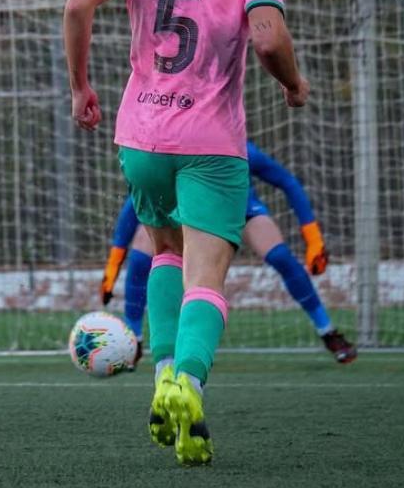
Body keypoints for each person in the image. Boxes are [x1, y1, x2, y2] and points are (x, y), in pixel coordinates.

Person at [64, 0, 308, 465]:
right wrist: (293, 83)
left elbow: (76, 4)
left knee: (165, 252)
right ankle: (188, 383)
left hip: (140, 136)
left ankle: (162, 375)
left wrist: (80, 86)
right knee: (208, 276)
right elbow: (268, 36)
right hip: (209, 141)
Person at [101, 141, 356, 366]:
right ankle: (133, 339)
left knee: (280, 256)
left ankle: (328, 331)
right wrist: (113, 266)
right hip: (191, 213)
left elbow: (287, 181)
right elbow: (136, 201)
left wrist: (313, 239)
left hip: (240, 210)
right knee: (142, 255)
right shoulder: (174, 144)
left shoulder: (241, 149)